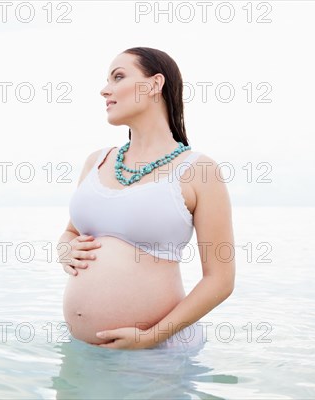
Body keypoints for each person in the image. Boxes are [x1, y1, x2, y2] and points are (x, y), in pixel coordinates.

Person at [57, 47, 236, 350]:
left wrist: (150, 338)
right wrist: (65, 249)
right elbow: (72, 232)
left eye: (118, 77)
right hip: (80, 354)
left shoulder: (198, 170)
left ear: (154, 84)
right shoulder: (96, 161)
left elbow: (220, 280)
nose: (105, 90)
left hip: (155, 357)